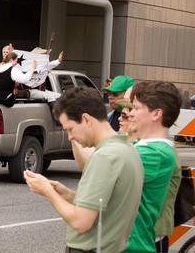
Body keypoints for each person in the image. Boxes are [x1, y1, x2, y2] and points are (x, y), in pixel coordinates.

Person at [24, 86, 143, 253]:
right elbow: (105, 206)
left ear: (86, 119)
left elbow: (81, 222)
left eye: (70, 129)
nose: (70, 136)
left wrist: (47, 192)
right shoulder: (128, 149)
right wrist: (65, 193)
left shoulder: (104, 157)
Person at [124, 81, 182, 253]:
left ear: (156, 114)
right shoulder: (147, 146)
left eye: (135, 108)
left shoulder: (156, 152)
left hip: (146, 240)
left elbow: (102, 166)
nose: (129, 114)